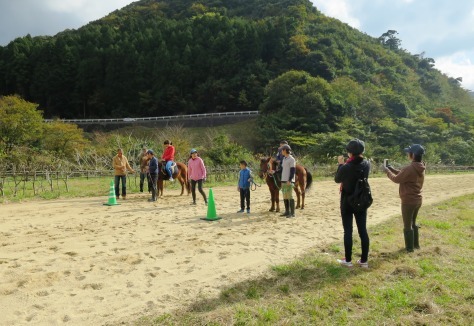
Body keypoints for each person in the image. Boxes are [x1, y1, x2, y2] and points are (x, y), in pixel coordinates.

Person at [334, 139, 370, 268]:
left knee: (347, 231)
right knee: (363, 231)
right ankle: (364, 261)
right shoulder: (366, 164)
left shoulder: (346, 167)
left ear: (350, 152)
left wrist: (340, 165)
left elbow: (337, 179)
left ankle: (348, 260)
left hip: (347, 201)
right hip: (361, 199)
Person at [384, 144, 426, 252]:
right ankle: (416, 246)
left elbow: (397, 179)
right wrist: (391, 168)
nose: (407, 154)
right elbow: (403, 175)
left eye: (409, 152)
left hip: (408, 201)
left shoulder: (410, 168)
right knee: (413, 223)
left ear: (412, 155)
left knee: (407, 225)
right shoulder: (421, 166)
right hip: (417, 200)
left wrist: (387, 172)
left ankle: (409, 249)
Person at [280, 144, 296, 218]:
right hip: (283, 180)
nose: (281, 151)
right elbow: (282, 169)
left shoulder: (291, 159)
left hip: (288, 181)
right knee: (285, 196)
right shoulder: (284, 159)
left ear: (285, 150)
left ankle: (292, 213)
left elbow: (293, 170)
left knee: (290, 196)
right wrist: (274, 171)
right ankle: (287, 211)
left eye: (282, 150)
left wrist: (290, 180)